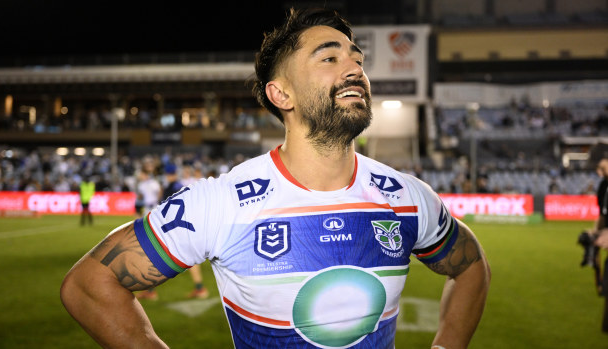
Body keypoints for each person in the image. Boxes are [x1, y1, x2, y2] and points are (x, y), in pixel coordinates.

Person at [60, 8, 490, 348]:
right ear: (280, 93)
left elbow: (472, 267)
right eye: (330, 58)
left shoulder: (407, 197)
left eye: (357, 59)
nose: (355, 68)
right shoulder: (221, 203)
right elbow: (89, 284)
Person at [136, 163, 209, 301]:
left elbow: (167, 210)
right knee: (189, 259)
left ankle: (150, 291)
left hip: (174, 228)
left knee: (155, 256)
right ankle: (200, 289)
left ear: (168, 174)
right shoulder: (181, 185)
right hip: (185, 227)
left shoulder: (171, 187)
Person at [586, 157, 608, 333]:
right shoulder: (603, 186)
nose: (598, 170)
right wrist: (595, 233)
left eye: (601, 166)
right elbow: (602, 215)